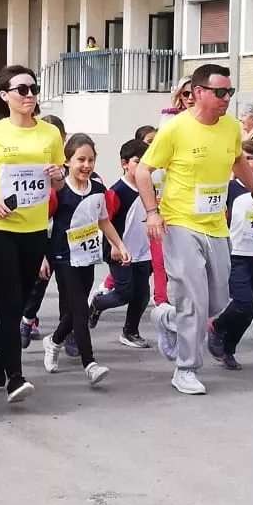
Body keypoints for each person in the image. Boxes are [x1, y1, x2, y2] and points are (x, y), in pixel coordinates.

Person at [136, 64, 253, 396]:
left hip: (215, 225)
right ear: (198, 92)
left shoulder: (232, 128)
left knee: (217, 300)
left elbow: (238, 161)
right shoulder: (175, 129)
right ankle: (186, 368)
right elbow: (143, 171)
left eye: (230, 93)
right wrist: (152, 212)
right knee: (193, 297)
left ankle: (167, 319)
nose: (226, 99)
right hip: (179, 223)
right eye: (220, 92)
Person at [0, 66, 63, 403]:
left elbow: (58, 181)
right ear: (5, 95)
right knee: (10, 298)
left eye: (34, 88)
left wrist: (57, 173)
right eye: (22, 90)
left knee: (16, 303)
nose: (30, 95)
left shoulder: (50, 133)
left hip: (34, 229)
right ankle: (16, 379)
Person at [42, 133, 128, 386]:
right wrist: (42, 257)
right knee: (80, 308)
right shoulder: (58, 190)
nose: (86, 165)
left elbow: (103, 220)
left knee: (74, 310)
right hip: (63, 256)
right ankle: (89, 364)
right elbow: (43, 225)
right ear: (67, 161)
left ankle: (54, 340)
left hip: (87, 256)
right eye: (81, 159)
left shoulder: (99, 189)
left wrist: (119, 244)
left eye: (91, 160)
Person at [209, 140, 253, 371]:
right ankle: (216, 327)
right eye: (241, 159)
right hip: (233, 253)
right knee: (243, 303)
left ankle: (229, 349)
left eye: (251, 158)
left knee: (246, 311)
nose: (245, 163)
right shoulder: (229, 189)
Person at [89, 139, 154, 349]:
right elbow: (104, 220)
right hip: (119, 250)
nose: (144, 167)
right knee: (124, 293)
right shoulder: (117, 191)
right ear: (124, 164)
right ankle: (98, 303)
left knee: (143, 293)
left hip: (143, 250)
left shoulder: (150, 187)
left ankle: (130, 331)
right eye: (138, 162)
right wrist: (115, 246)